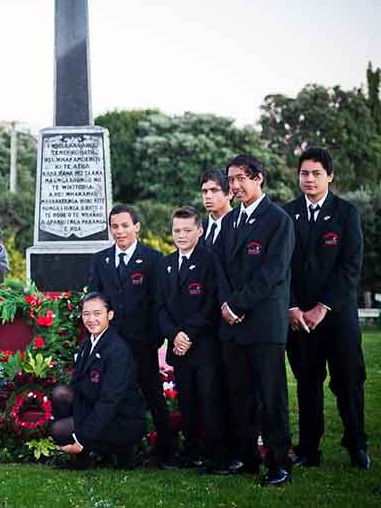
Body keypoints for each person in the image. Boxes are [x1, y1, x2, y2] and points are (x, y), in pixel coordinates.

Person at [284, 147, 369, 470]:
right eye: (304, 173)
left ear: (330, 176)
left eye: (316, 173)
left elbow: (350, 267)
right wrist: (293, 307)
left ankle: (356, 444)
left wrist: (323, 306)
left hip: (337, 316)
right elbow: (282, 267)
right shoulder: (287, 214)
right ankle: (308, 448)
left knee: (348, 381)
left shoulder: (347, 214)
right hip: (299, 320)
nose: (309, 179)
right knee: (307, 383)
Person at [214, 154, 294, 486]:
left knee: (271, 397)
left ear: (258, 178)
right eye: (231, 181)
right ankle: (246, 458)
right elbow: (218, 269)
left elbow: (272, 272)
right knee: (241, 396)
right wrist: (226, 305)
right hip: (232, 326)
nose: (235, 186)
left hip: (264, 325)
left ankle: (279, 464)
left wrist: (238, 304)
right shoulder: (231, 222)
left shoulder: (278, 220)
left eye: (241, 179)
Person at [89, 204, 177, 468]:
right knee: (108, 395)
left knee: (153, 396)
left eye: (125, 225)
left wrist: (153, 339)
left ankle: (167, 451)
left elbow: (158, 302)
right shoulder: (101, 259)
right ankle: (106, 449)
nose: (119, 231)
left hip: (142, 344)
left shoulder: (153, 259)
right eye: (114, 226)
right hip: (111, 346)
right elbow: (95, 299)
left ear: (137, 227)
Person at [156, 206, 229, 474]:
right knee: (187, 401)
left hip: (205, 345)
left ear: (200, 230)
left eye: (188, 230)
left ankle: (215, 455)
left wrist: (188, 333)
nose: (182, 235)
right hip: (179, 347)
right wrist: (174, 335)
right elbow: (160, 307)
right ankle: (191, 451)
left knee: (210, 400)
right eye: (177, 230)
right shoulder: (165, 264)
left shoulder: (210, 262)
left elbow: (211, 304)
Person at [51, 292, 146, 470]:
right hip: (95, 406)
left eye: (97, 313)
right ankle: (84, 457)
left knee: (59, 430)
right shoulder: (88, 343)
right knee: (60, 394)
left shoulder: (117, 351)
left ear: (110, 315)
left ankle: (114, 451)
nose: (91, 319)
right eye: (86, 314)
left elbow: (109, 402)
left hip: (121, 419)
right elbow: (78, 386)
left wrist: (81, 439)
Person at [200, 168, 233, 249]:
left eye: (214, 190)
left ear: (230, 193)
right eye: (204, 191)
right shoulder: (198, 228)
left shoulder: (240, 226)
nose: (208, 196)